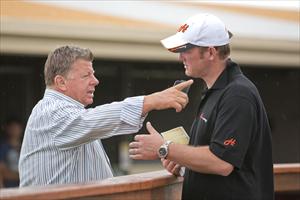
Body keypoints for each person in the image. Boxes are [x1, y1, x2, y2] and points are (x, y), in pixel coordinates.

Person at [129, 13, 274, 200]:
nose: (180, 57)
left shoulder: (238, 94)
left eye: (186, 50)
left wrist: (165, 148)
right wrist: (182, 161)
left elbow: (222, 162)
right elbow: (218, 157)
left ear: (211, 52)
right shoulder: (221, 90)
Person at [18, 45, 193, 187]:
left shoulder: (69, 112)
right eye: (86, 75)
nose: (95, 80)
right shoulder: (52, 110)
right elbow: (90, 121)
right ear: (61, 82)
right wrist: (152, 100)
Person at [0, 117, 23, 187]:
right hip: (9, 187)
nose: (15, 130)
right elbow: (2, 171)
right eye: (12, 127)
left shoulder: (27, 146)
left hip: (27, 186)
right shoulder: (3, 147)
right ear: (6, 129)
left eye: (17, 127)